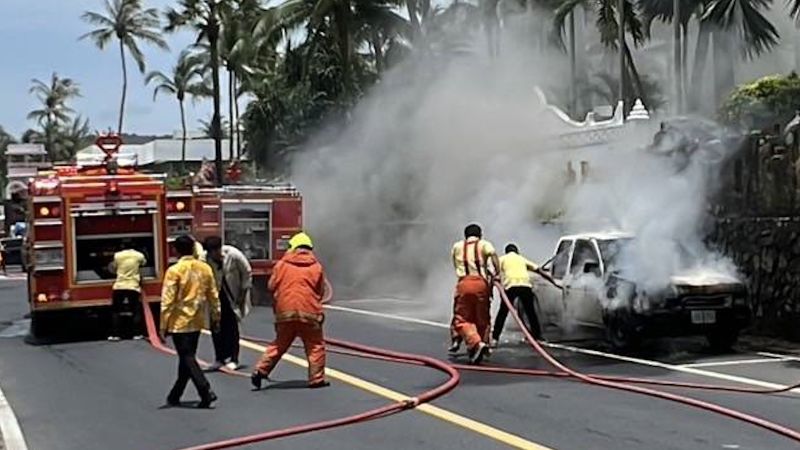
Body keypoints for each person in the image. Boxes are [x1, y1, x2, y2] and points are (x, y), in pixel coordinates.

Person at [251, 232, 329, 389]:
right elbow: (320, 291)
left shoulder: (281, 265)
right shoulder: (316, 267)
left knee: (280, 344)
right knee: (315, 345)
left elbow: (271, 286)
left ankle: (261, 370)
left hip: (284, 312)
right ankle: (316, 379)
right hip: (309, 313)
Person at [161, 235, 220, 408]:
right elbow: (213, 296)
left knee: (187, 357)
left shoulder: (174, 271)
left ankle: (205, 390)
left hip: (179, 322)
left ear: (176, 250)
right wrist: (216, 317)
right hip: (197, 320)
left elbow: (167, 300)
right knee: (187, 358)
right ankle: (175, 395)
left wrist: (163, 325)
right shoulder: (205, 268)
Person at [491, 243, 562, 347]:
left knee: (503, 313)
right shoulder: (521, 259)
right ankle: (537, 337)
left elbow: (493, 273)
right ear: (517, 251)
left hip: (510, 286)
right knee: (531, 312)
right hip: (525, 286)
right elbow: (540, 271)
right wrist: (554, 282)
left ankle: (494, 338)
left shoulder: (502, 259)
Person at [449, 223, 500, 364]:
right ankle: (484, 345)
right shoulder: (483, 244)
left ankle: (476, 343)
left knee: (462, 320)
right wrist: (497, 273)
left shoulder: (457, 246)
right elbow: (493, 255)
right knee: (482, 318)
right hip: (481, 285)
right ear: (480, 234)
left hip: (464, 283)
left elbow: (455, 265)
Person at [203, 236, 253, 371]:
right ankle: (219, 358)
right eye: (210, 253)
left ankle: (234, 359)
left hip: (232, 296)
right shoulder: (204, 259)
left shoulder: (234, 254)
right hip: (215, 297)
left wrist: (242, 295)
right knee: (216, 327)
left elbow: (247, 272)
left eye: (215, 251)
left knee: (232, 328)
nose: (214, 255)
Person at [108, 246, 146, 341]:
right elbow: (143, 264)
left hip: (119, 286)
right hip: (133, 286)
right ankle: (136, 334)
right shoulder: (139, 255)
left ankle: (115, 335)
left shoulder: (118, 255)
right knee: (135, 310)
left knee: (116, 310)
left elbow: (112, 268)